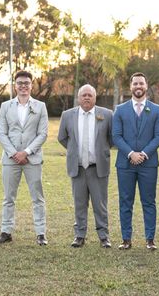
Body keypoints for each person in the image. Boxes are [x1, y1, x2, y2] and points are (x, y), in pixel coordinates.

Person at [0, 70, 49, 245]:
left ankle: (41, 233)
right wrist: (14, 153)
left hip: (32, 159)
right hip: (10, 159)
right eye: (20, 83)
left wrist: (27, 152)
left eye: (26, 83)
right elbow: (1, 133)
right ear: (14, 85)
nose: (23, 86)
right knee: (8, 197)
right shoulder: (5, 106)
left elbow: (43, 134)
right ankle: (6, 231)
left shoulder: (40, 106)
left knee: (37, 198)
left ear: (31, 85)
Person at [112, 72, 159, 250]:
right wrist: (130, 154)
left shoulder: (156, 110)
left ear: (146, 85)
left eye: (141, 83)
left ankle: (150, 239)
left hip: (148, 164)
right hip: (125, 164)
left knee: (148, 201)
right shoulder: (120, 110)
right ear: (130, 86)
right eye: (135, 84)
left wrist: (142, 153)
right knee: (125, 201)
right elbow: (116, 136)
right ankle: (126, 239)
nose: (138, 87)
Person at [57, 84, 113, 248]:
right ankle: (79, 235)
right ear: (78, 98)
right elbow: (62, 137)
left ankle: (104, 236)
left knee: (100, 204)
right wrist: (75, 150)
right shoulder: (67, 115)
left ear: (95, 98)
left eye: (90, 95)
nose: (87, 98)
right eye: (84, 95)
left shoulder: (107, 114)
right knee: (79, 203)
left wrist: (101, 150)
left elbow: (112, 137)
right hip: (78, 167)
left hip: (98, 168)